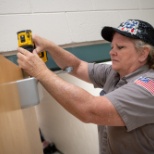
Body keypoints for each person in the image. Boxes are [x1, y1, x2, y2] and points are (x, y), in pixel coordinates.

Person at [17, 19, 154, 154]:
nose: (112, 52)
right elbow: (77, 67)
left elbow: (89, 110)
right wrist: (50, 47)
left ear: (143, 53)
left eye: (120, 47)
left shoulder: (147, 87)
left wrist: (41, 72)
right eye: (112, 47)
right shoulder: (115, 73)